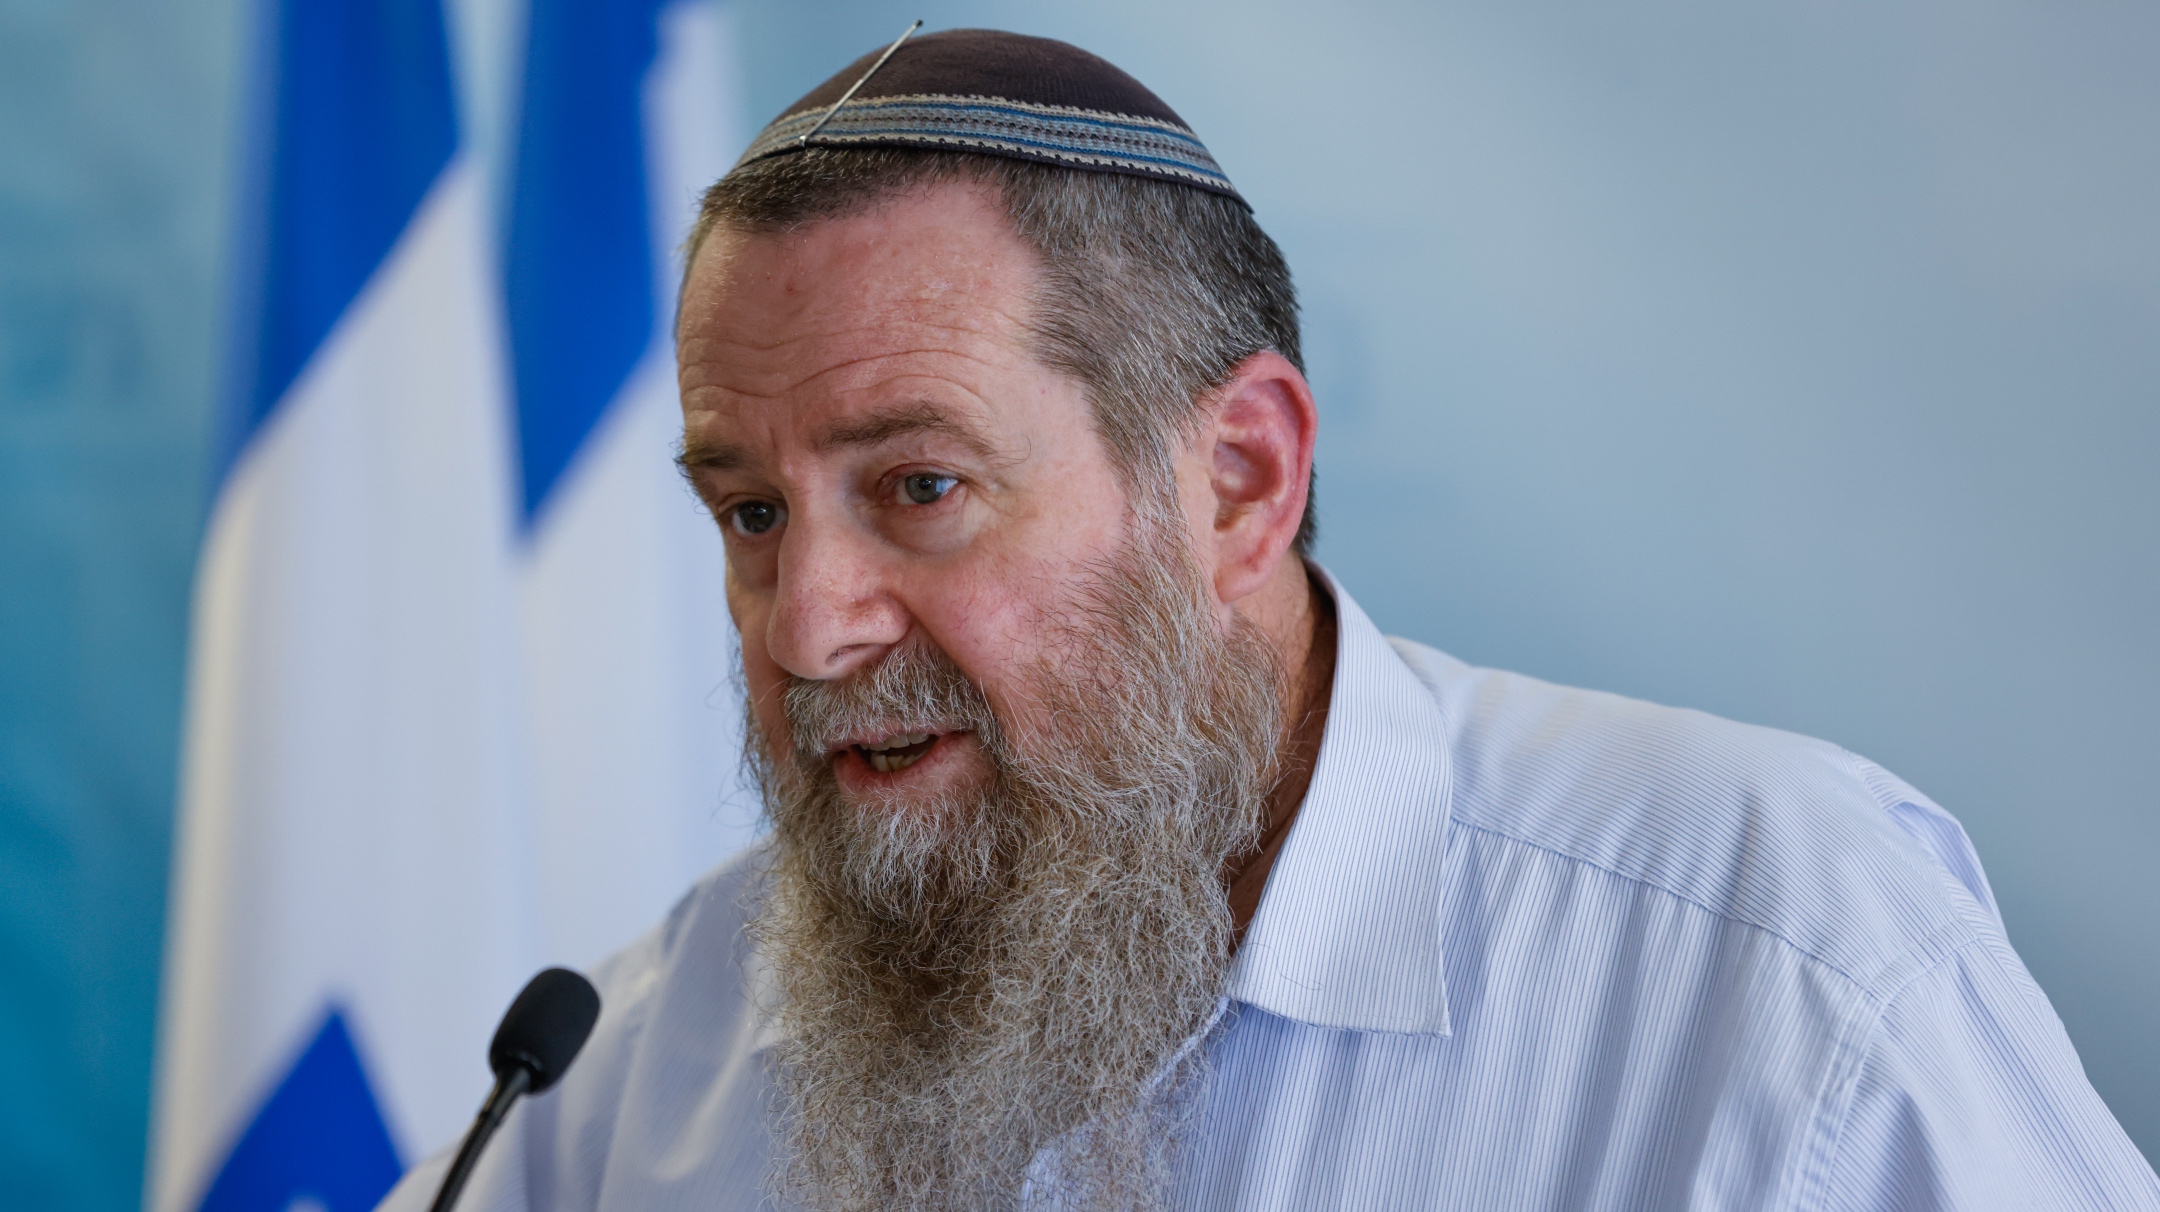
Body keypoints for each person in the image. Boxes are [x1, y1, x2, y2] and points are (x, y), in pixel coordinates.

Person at [378, 28, 2160, 1212]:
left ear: (1236, 478)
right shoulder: (643, 1062)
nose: (807, 626)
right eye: (751, 514)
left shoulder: (1776, 966)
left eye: (918, 487)